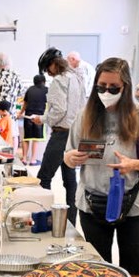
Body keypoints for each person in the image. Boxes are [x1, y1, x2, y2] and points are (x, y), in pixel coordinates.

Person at [63, 58, 139, 277]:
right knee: (98, 272)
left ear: (126, 88)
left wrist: (134, 164)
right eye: (101, 87)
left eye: (113, 88)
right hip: (92, 204)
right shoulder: (86, 115)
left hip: (134, 205)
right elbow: (67, 155)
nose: (106, 92)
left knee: (138, 271)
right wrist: (72, 158)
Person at [37, 47, 88, 225]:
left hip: (61, 135)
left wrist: (42, 119)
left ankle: (43, 218)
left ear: (52, 65)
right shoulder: (77, 77)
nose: (48, 73)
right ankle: (71, 223)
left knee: (43, 178)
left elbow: (59, 110)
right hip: (76, 135)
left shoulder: (59, 80)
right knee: (70, 180)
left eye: (47, 69)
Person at [19, 74, 47, 164]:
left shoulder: (30, 89)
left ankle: (24, 158)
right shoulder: (47, 90)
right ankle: (33, 159)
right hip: (39, 117)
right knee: (36, 139)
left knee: (26, 137)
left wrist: (20, 113)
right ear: (44, 81)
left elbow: (25, 104)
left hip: (28, 116)